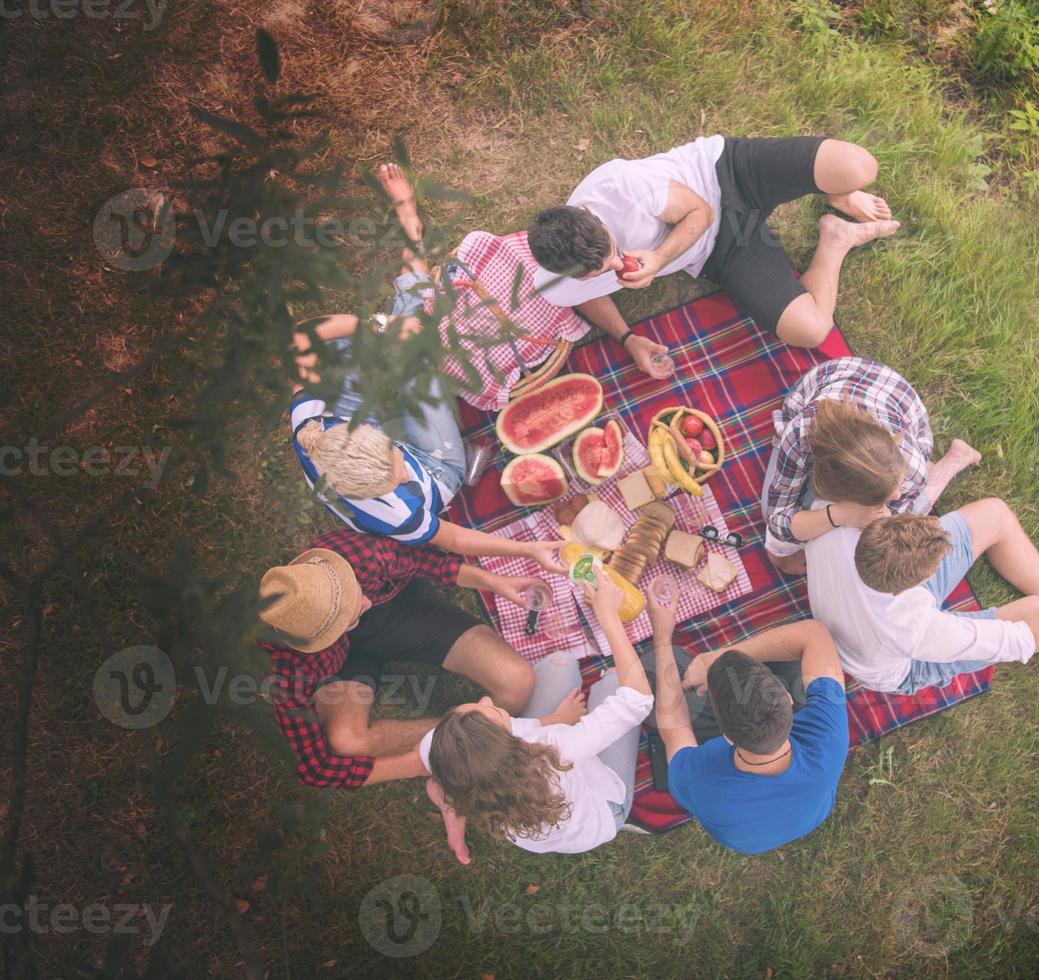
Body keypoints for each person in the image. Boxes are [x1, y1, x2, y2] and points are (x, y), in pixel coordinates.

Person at [289, 163, 563, 572]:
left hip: (367, 405)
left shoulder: (310, 420)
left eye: (394, 468)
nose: (402, 479)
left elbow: (300, 337)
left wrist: (382, 328)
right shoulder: (393, 513)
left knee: (380, 332)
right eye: (396, 480)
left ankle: (407, 223)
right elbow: (450, 537)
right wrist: (530, 551)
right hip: (436, 466)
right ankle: (409, 238)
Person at [526, 135, 900, 373]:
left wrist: (657, 259)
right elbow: (585, 297)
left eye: (611, 252)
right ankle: (834, 238)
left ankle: (837, 192)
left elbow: (700, 211)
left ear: (591, 215)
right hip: (721, 249)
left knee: (858, 166)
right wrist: (628, 338)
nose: (617, 264)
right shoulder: (558, 279)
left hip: (724, 172)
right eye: (602, 271)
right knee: (811, 329)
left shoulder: (626, 186)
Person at [255, 528, 544, 788]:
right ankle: (461, 734)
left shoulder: (358, 557)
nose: (366, 602)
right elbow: (316, 769)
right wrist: (417, 764)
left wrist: (494, 583)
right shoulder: (284, 671)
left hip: (398, 613)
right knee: (346, 742)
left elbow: (430, 562)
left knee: (516, 683)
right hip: (343, 667)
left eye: (354, 591)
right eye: (350, 612)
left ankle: (473, 728)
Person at [417, 571, 654, 858]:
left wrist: (554, 719)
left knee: (561, 663)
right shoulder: (556, 750)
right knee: (617, 682)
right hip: (602, 813)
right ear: (509, 740)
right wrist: (609, 618)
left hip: (540, 817)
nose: (486, 698)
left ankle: (452, 814)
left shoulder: (446, 754)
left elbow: (437, 776)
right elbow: (637, 700)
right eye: (490, 711)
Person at [806, 509, 1039, 696]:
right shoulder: (917, 629)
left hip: (866, 610)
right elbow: (1021, 640)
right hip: (902, 663)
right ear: (914, 587)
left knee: (995, 514)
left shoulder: (840, 519)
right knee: (1038, 612)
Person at [647, 583, 850, 855]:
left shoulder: (698, 781)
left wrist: (662, 637)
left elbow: (674, 728)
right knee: (795, 653)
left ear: (726, 736)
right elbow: (815, 633)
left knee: (660, 674)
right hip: (808, 814)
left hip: (744, 830)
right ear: (788, 699)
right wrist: (718, 660)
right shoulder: (829, 738)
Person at [759, 357, 981, 576]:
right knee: (778, 542)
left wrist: (882, 516)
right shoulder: (800, 434)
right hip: (833, 379)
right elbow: (778, 516)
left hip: (899, 400)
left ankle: (954, 461)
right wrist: (837, 515)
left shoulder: (911, 467)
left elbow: (890, 526)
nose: (896, 494)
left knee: (903, 514)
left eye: (895, 486)